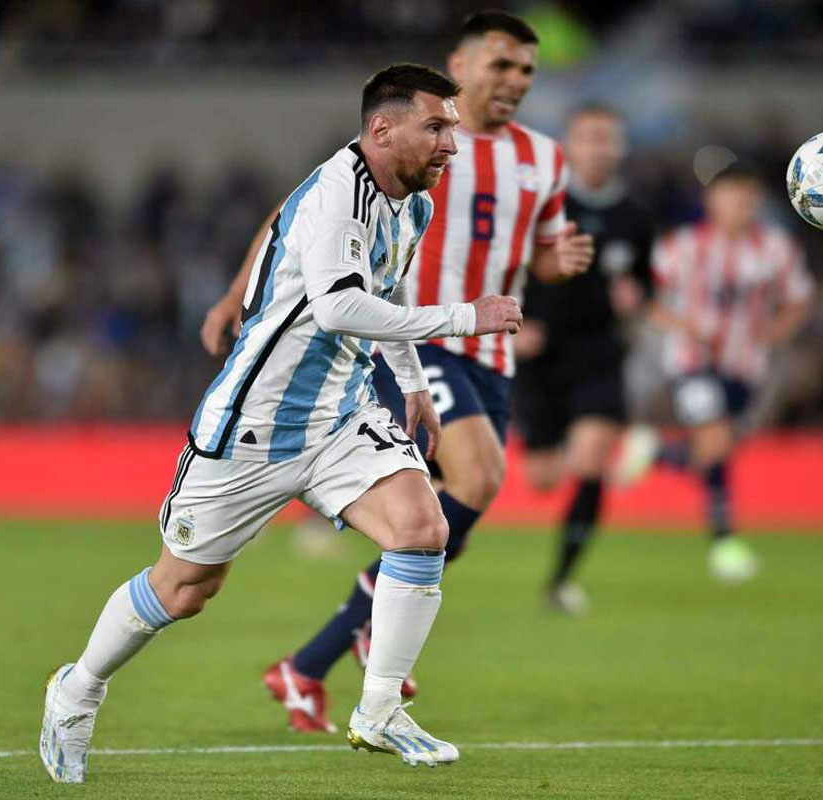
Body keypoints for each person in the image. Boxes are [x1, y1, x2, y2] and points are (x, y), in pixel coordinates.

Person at [39, 63, 527, 782]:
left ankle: (380, 708)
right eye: (437, 125)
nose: (452, 141)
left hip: (341, 417)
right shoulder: (337, 194)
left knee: (424, 527)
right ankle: (77, 691)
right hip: (253, 426)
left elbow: (381, 295)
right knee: (185, 590)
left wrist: (413, 381)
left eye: (452, 126)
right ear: (382, 128)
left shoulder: (412, 204)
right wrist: (464, 318)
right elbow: (337, 306)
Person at [201, 10, 593, 733]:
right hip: (415, 335)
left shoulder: (546, 158)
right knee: (475, 480)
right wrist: (237, 292)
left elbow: (535, 252)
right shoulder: (413, 138)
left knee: (445, 523)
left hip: (490, 355)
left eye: (527, 72)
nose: (515, 82)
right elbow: (296, 215)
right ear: (462, 66)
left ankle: (311, 662)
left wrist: (554, 263)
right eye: (501, 65)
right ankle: (370, 633)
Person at [616, 163, 813, 582]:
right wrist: (680, 325)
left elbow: (798, 298)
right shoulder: (682, 246)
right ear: (712, 200)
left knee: (714, 451)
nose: (742, 202)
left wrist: (777, 330)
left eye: (749, 195)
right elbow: (643, 296)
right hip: (692, 363)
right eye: (732, 193)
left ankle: (657, 453)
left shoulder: (776, 247)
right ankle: (725, 543)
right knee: (715, 438)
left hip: (746, 366)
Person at [512, 104, 654, 614]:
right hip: (540, 355)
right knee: (544, 476)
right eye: (588, 137)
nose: (599, 147)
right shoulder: (539, 205)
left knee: (590, 457)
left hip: (599, 351)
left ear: (621, 147)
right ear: (568, 145)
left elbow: (645, 281)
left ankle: (561, 581)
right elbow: (502, 265)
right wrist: (516, 319)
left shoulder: (635, 215)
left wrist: (637, 297)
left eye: (607, 138)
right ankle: (649, 455)